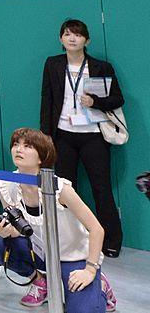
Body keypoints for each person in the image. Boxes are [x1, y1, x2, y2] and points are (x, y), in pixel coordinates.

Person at [0, 128, 116, 312]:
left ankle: (100, 285)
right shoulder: (6, 184)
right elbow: (20, 229)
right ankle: (41, 282)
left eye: (27, 146)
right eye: (15, 144)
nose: (18, 149)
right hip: (42, 254)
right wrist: (5, 231)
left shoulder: (61, 188)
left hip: (74, 257)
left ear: (41, 157)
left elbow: (97, 229)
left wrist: (90, 270)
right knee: (0, 246)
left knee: (82, 310)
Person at [40, 18, 125, 257]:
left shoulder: (100, 67)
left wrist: (95, 102)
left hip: (93, 136)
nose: (72, 38)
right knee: (66, 191)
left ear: (86, 40)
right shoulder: (53, 64)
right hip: (63, 136)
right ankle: (71, 239)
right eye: (67, 34)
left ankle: (111, 240)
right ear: (61, 39)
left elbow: (118, 99)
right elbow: (46, 101)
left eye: (77, 34)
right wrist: (46, 137)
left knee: (102, 188)